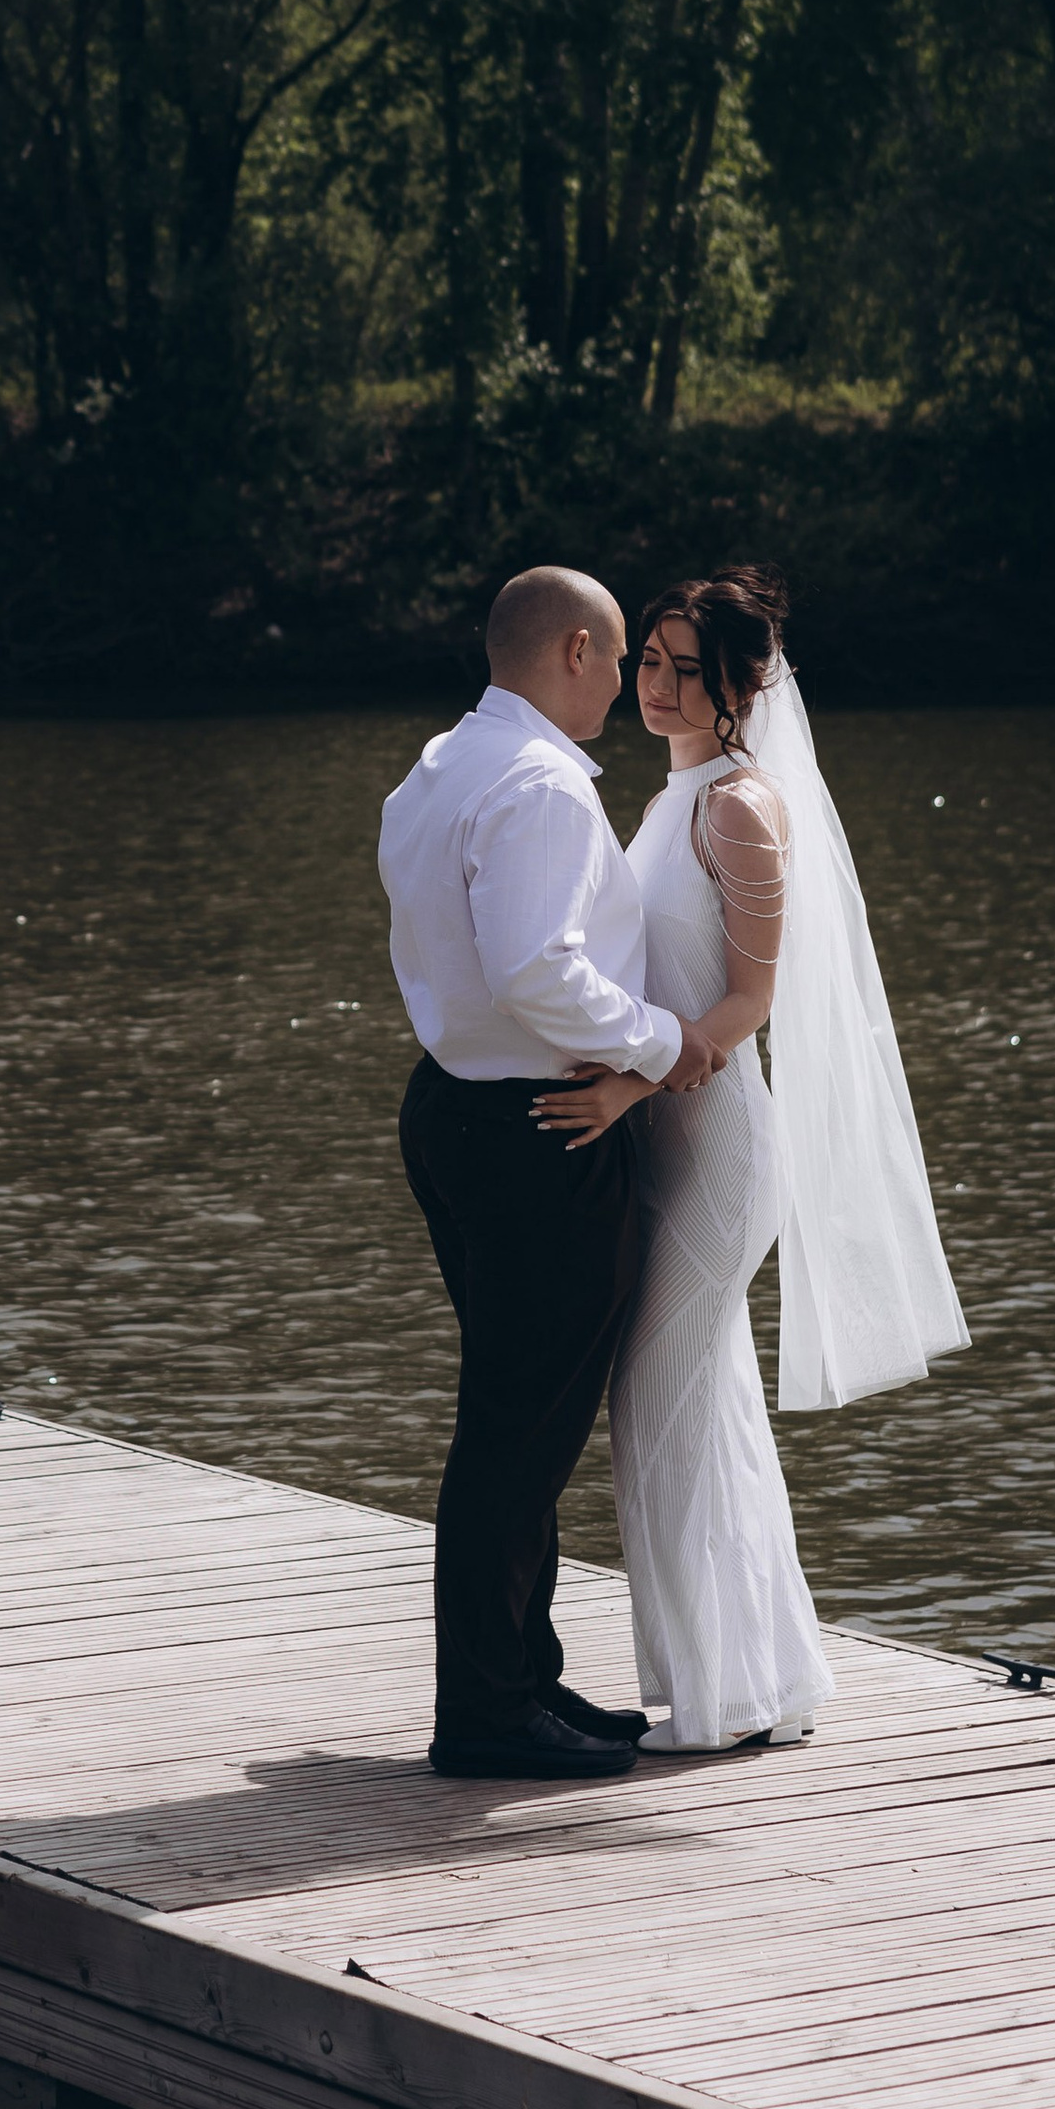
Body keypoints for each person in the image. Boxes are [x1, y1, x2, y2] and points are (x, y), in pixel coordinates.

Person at [536, 566, 970, 1750]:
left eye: (687, 669)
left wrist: (627, 1083)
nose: (658, 687)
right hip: (665, 1138)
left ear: (744, 683)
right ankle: (751, 1681)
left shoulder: (736, 805)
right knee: (694, 1403)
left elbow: (744, 1006)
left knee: (664, 1401)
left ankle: (725, 1696)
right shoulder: (669, 796)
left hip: (714, 1151)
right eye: (652, 662)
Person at [378, 566, 719, 1780]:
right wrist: (662, 1043)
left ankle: (523, 1677)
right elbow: (539, 973)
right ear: (576, 648)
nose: (628, 685)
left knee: (519, 1415)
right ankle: (481, 1708)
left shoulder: (439, 766)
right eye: (623, 660)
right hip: (539, 1125)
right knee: (517, 1428)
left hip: (456, 1109)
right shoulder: (536, 789)